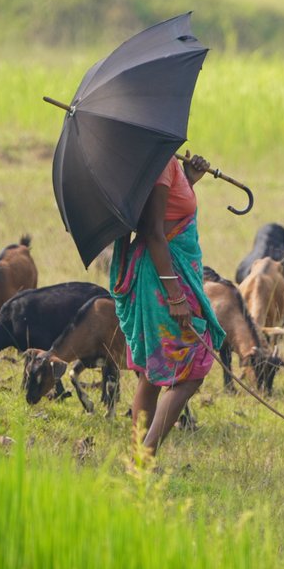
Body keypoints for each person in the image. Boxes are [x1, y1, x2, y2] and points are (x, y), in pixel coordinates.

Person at [110, 152, 225, 454]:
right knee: (190, 373)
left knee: (151, 373)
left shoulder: (164, 164)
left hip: (161, 273)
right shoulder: (159, 163)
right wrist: (175, 297)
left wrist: (187, 178)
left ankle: (138, 455)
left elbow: (167, 211)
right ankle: (144, 458)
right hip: (163, 278)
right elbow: (154, 232)